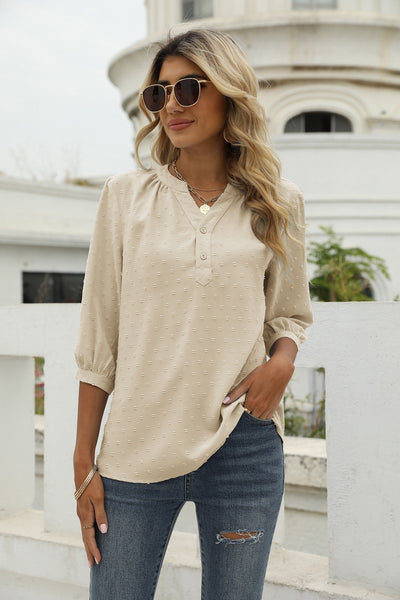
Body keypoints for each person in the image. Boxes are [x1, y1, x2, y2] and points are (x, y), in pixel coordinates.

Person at [73, 28, 313, 600]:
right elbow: (99, 342)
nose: (171, 106)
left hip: (242, 444)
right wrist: (84, 465)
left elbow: (289, 315)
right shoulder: (125, 197)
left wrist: (282, 362)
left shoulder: (277, 202)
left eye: (189, 88)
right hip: (135, 445)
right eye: (158, 94)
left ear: (229, 93)